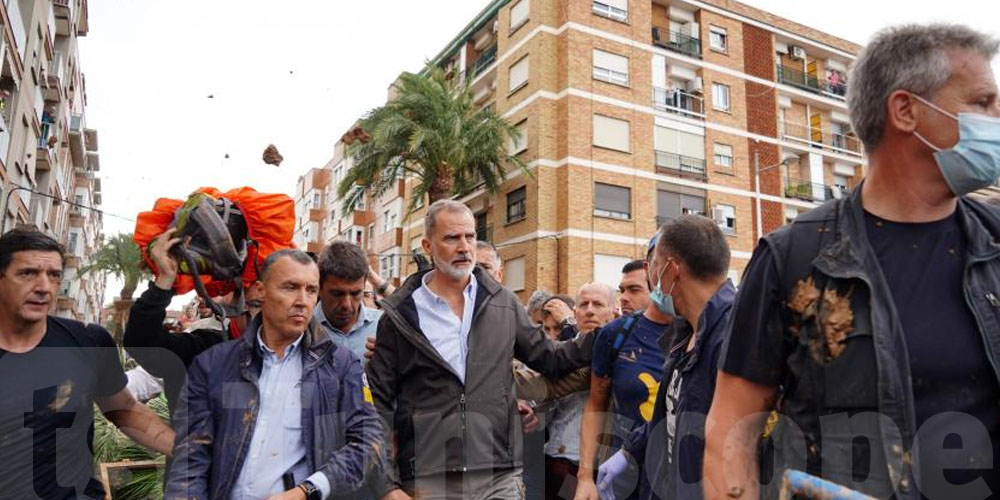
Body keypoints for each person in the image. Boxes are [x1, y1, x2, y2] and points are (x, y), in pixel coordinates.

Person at [703, 24, 1000, 500]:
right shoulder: (795, 257)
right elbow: (729, 431)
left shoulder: (995, 240)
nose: (997, 115)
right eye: (983, 102)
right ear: (906, 111)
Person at [368, 200, 596, 500]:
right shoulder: (400, 316)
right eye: (452, 238)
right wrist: (386, 485)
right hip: (429, 477)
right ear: (427, 245)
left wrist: (608, 336)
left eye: (470, 237)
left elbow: (551, 359)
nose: (464, 247)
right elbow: (376, 408)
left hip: (499, 475)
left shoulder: (502, 302)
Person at [166, 249, 383, 500]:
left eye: (311, 290)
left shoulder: (341, 367)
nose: (302, 300)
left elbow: (369, 443)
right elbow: (191, 458)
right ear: (260, 291)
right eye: (290, 288)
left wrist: (308, 490)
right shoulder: (214, 366)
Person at [0, 229, 175, 499]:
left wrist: (187, 448)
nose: (44, 287)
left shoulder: (87, 341)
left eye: (54, 275)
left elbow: (124, 409)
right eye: (28, 273)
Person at [595, 215, 735, 500]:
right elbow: (672, 415)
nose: (651, 277)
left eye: (654, 266)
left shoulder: (734, 338)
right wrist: (629, 450)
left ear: (671, 270)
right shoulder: (684, 333)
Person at [574, 236, 674, 500]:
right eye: (622, 290)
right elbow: (596, 403)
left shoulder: (702, 332)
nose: (625, 298)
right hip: (623, 479)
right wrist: (585, 477)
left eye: (633, 289)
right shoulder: (615, 335)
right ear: (651, 267)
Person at [124, 229, 261, 417]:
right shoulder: (206, 348)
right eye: (255, 304)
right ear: (233, 300)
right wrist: (165, 281)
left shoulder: (303, 355)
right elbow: (143, 343)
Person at [543, 283, 616, 500]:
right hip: (557, 461)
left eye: (598, 304)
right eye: (584, 304)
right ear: (575, 311)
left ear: (613, 311)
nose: (590, 310)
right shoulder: (558, 351)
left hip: (599, 466)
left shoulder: (619, 350)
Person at [316, 241, 383, 361]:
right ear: (319, 287)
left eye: (356, 293)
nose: (346, 304)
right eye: (337, 294)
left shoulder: (384, 326)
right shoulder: (301, 329)